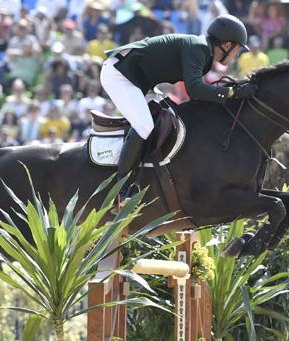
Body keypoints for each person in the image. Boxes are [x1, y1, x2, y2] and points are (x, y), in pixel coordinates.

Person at [100, 14, 256, 204]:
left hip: (140, 82)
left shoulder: (204, 53)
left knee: (172, 117)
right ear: (227, 45)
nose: (236, 55)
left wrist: (232, 95)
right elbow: (195, 89)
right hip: (120, 75)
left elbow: (197, 93)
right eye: (237, 49)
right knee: (144, 126)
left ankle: (146, 174)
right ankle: (121, 188)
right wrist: (233, 93)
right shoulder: (199, 47)